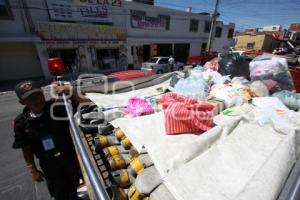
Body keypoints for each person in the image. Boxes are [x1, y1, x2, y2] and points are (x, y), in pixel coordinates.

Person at [12, 80, 82, 200]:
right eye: (30, 97)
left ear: (43, 94)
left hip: (69, 157)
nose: (36, 99)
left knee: (74, 183)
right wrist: (33, 170)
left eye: (38, 94)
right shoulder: (21, 123)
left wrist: (72, 91)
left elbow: (81, 104)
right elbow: (26, 148)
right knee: (58, 192)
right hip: (49, 164)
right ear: (22, 102)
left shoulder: (57, 108)